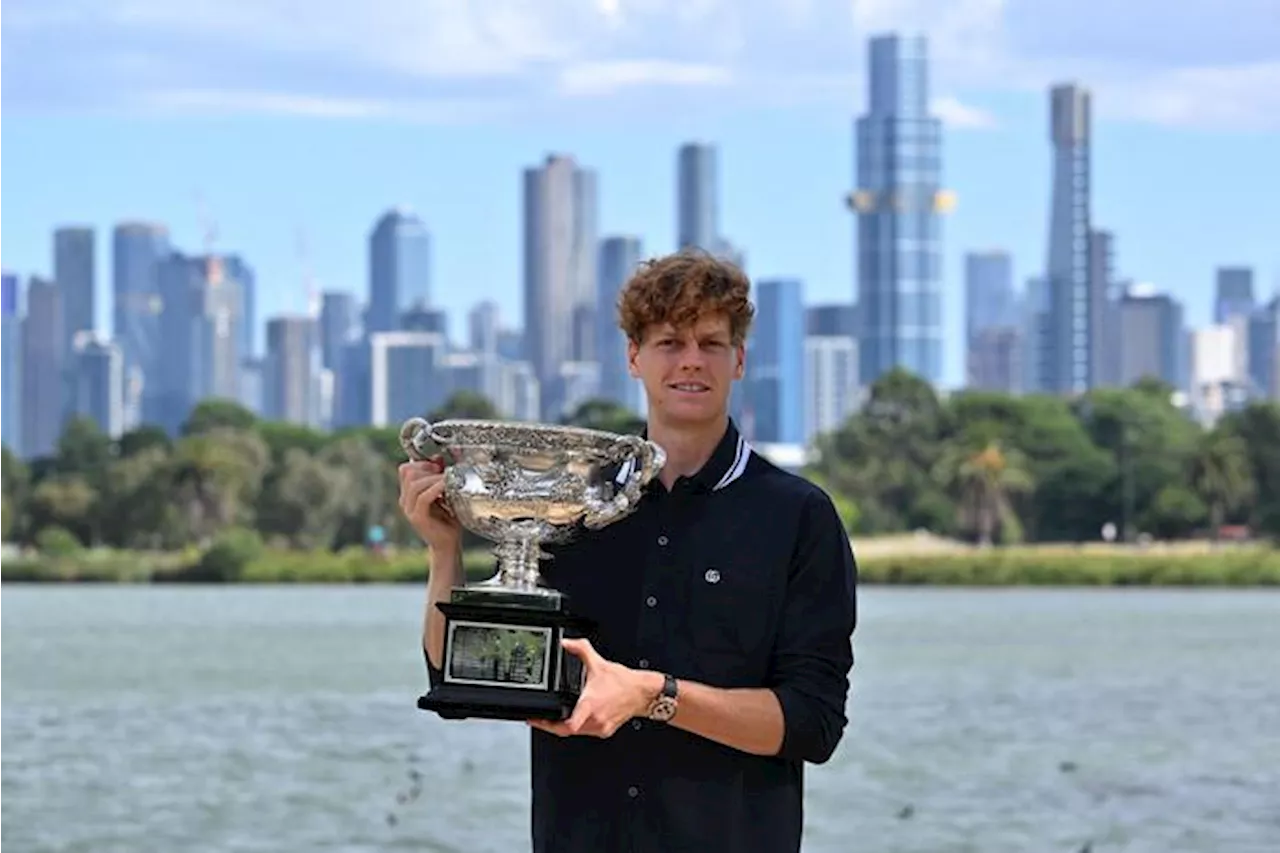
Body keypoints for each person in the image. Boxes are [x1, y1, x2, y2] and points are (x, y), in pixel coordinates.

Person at [398, 250, 858, 853]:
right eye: (669, 341)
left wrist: (653, 695)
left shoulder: (798, 516)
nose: (691, 360)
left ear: (739, 360)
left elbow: (812, 723)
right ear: (633, 357)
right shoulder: (573, 507)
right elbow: (463, 673)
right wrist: (444, 550)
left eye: (711, 343)